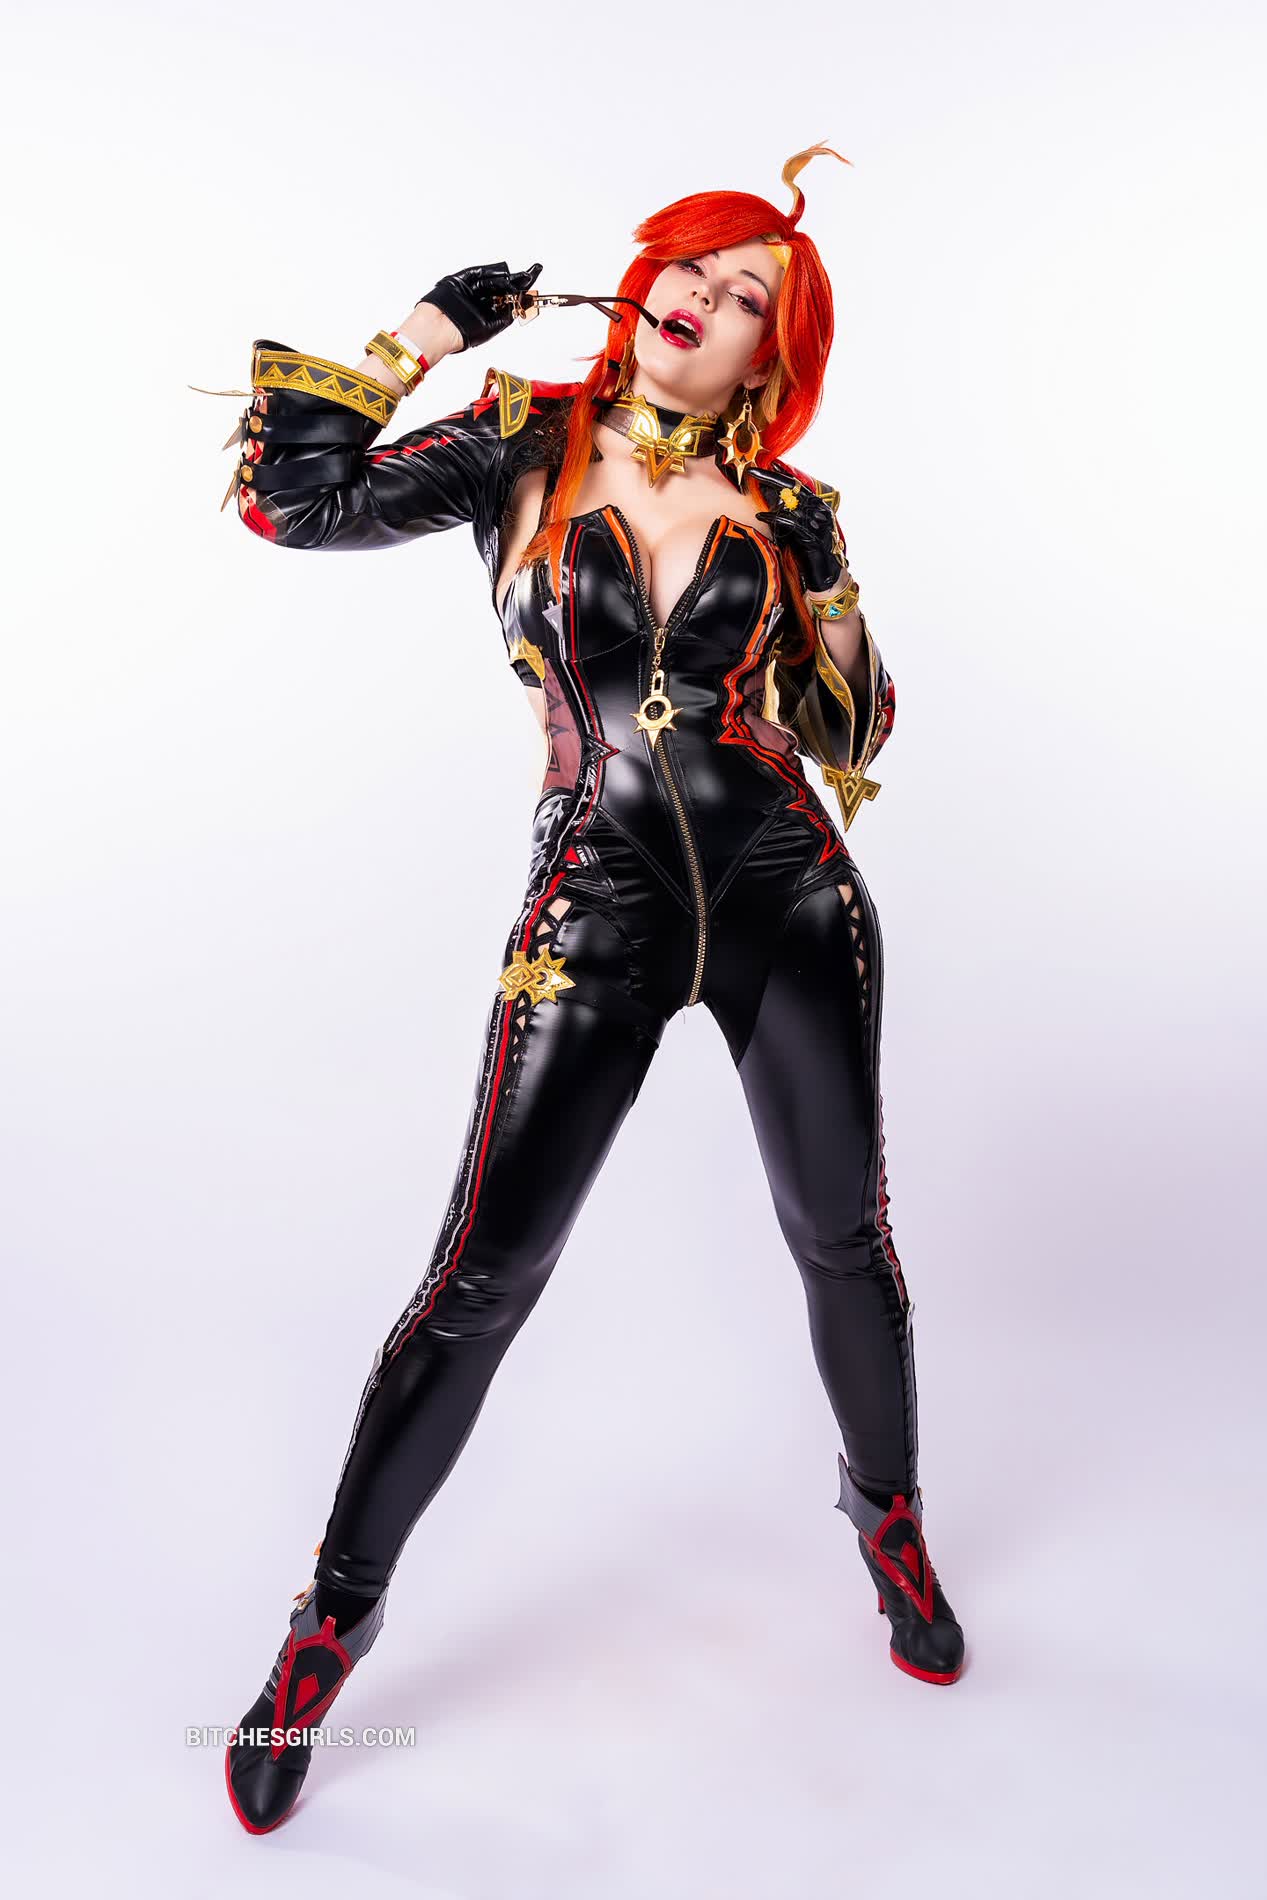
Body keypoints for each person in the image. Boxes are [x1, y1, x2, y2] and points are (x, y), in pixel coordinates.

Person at [216, 140, 966, 1836]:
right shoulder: (521, 444)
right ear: (646, 281)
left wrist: (835, 584)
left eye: (748, 292)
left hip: (790, 898)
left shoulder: (788, 507)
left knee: (842, 1238)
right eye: (692, 262)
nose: (703, 293)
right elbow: (294, 503)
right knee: (480, 1280)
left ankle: (892, 1524)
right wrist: (425, 333)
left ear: (771, 357)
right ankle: (329, 1627)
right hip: (595, 908)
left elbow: (853, 731)